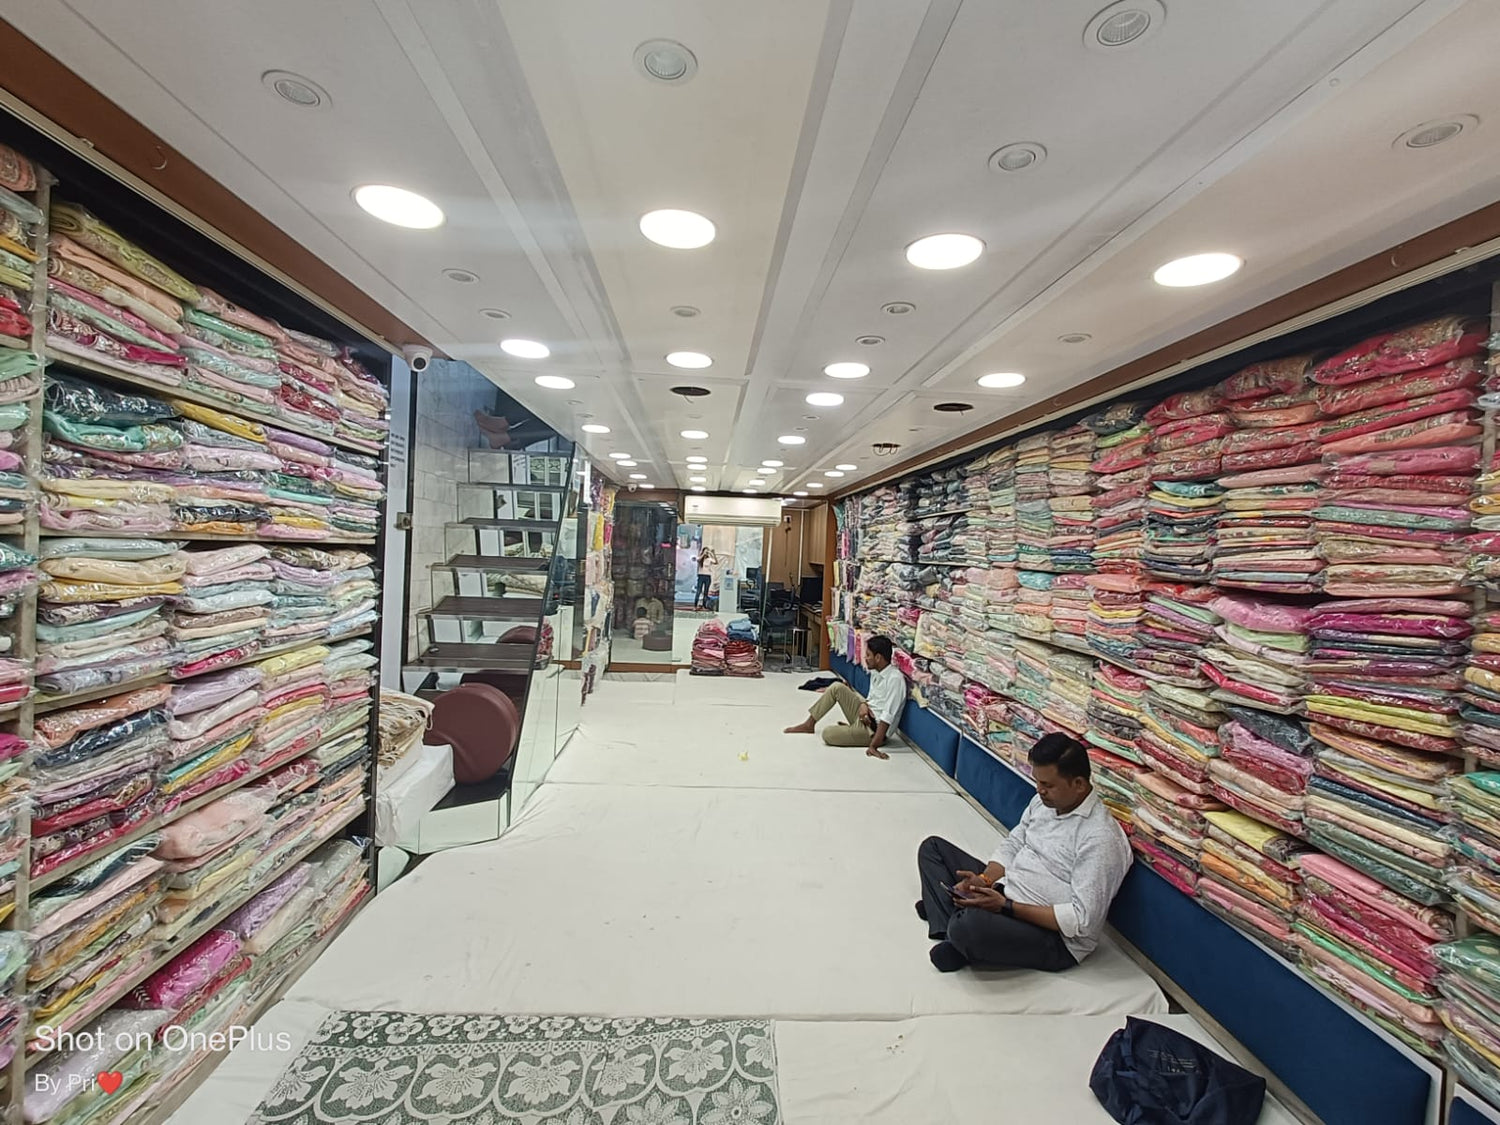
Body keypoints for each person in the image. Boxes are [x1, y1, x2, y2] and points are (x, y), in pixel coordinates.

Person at [915, 732, 1132, 973]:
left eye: (1047, 785)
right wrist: (984, 880)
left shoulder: (1100, 838)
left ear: (1079, 784)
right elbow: (1014, 843)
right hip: (1006, 892)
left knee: (969, 926)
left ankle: (951, 919)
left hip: (1052, 936)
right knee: (932, 848)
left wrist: (1006, 907)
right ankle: (952, 927)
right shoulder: (1045, 802)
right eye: (1037, 782)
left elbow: (1081, 921)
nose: (1039, 790)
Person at [783, 634, 905, 759]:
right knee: (837, 687)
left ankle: (856, 732)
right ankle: (809, 724)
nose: (865, 658)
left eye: (868, 655)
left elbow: (887, 717)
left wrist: (873, 746)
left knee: (827, 734)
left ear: (878, 657)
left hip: (873, 731)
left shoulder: (895, 680)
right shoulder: (876, 671)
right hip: (865, 716)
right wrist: (863, 704)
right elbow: (872, 698)